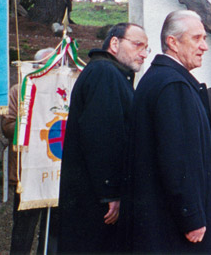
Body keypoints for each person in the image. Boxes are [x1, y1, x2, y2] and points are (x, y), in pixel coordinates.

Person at [123, 10, 211, 252]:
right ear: (173, 43)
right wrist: (192, 216)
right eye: (197, 38)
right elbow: (177, 159)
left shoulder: (162, 79)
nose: (204, 47)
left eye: (204, 39)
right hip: (174, 229)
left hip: (162, 221)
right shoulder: (172, 86)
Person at [57, 23, 149, 253]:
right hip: (97, 203)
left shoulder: (110, 73)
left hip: (94, 198)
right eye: (138, 45)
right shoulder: (105, 73)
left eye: (147, 48)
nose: (144, 54)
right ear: (115, 43)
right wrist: (110, 192)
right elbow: (102, 137)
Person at [2, 48, 59, 254]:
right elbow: (6, 127)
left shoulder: (63, 93)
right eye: (43, 65)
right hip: (27, 172)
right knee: (24, 228)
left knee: (52, 229)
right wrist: (28, 122)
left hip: (54, 170)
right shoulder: (19, 90)